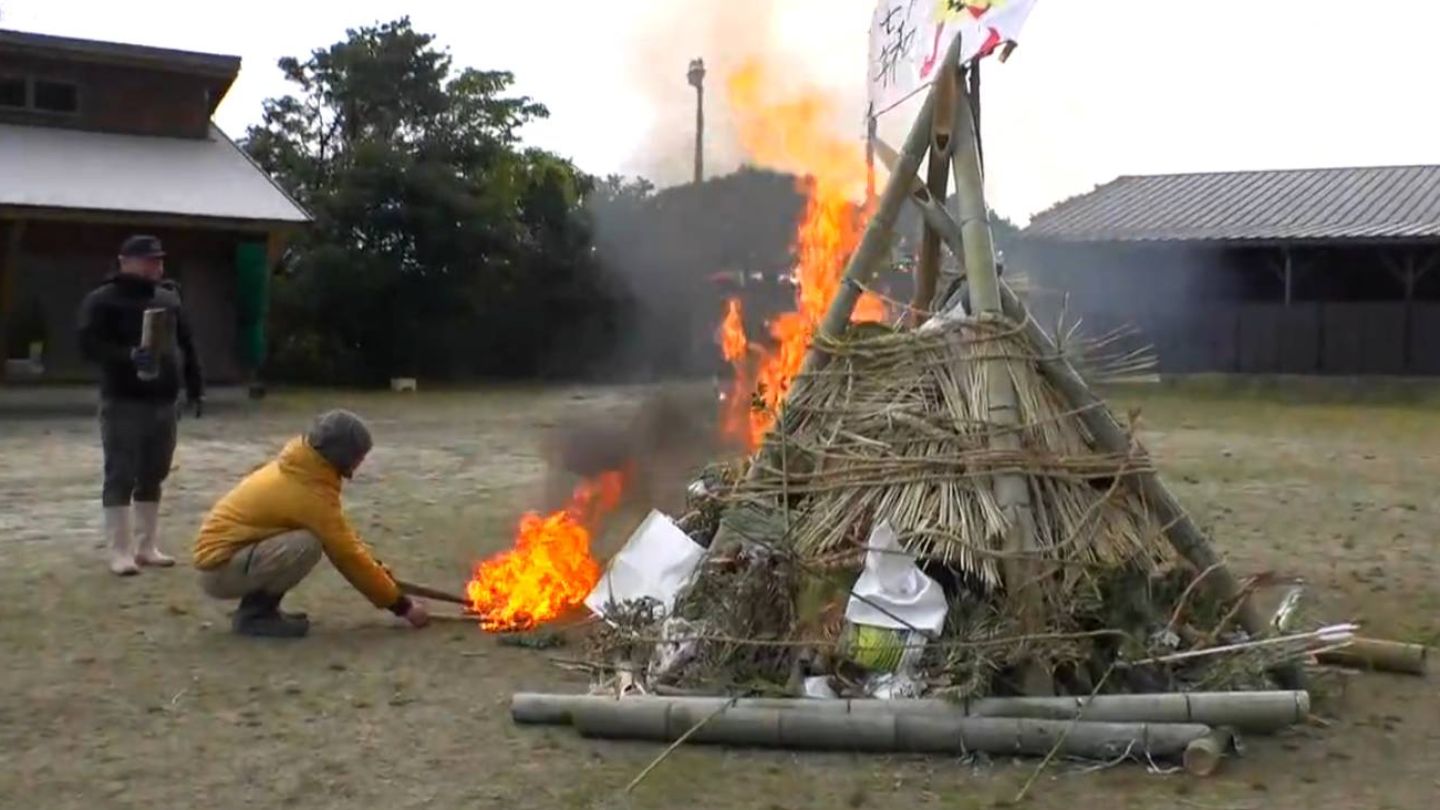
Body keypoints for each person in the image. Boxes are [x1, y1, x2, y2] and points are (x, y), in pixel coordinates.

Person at [191, 410, 431, 638]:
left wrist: (378, 570)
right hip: (219, 569)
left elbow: (341, 533)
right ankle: (255, 615)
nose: (361, 462)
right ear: (342, 454)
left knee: (308, 540)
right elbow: (346, 555)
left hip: (231, 558)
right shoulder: (307, 490)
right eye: (359, 456)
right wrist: (403, 607)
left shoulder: (304, 468)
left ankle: (260, 610)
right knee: (306, 544)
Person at [76, 234, 204, 576]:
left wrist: (195, 386)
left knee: (155, 471)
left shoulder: (169, 298)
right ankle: (121, 550)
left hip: (164, 399)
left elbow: (186, 344)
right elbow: (88, 346)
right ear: (124, 261)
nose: (156, 266)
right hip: (124, 399)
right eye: (149, 260)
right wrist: (127, 356)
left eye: (159, 260)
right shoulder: (102, 300)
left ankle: (147, 546)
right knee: (121, 472)